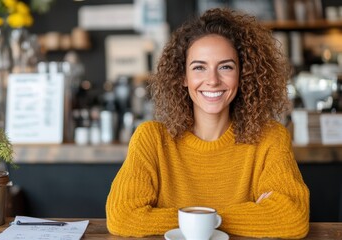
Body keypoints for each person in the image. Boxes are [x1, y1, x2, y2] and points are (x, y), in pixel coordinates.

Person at [106, 8, 309, 239]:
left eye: (225, 67)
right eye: (199, 67)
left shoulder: (270, 138)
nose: (212, 80)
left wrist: (184, 219)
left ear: (243, 74)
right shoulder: (152, 139)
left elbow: (292, 218)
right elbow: (122, 216)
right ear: (183, 77)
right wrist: (240, 215)